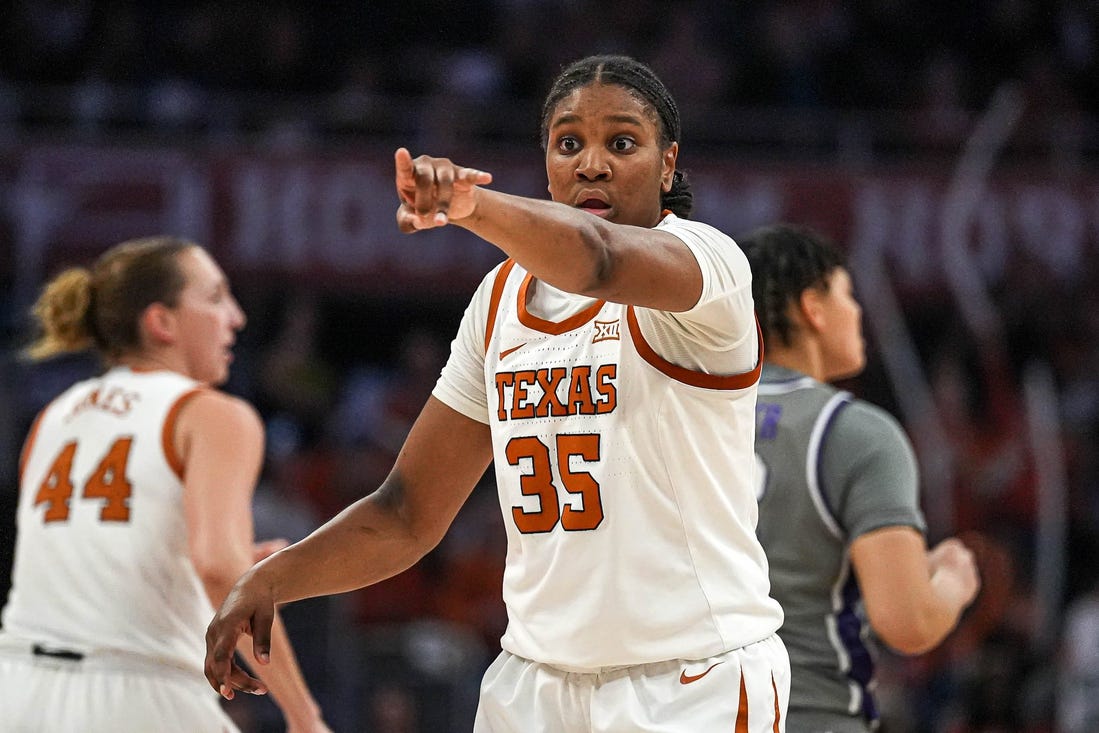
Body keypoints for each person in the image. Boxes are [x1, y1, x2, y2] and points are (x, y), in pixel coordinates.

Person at [206, 54, 789, 732]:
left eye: (621, 143)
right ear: (545, 163)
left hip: (691, 682)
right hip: (535, 684)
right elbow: (406, 511)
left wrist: (469, 204)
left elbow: (598, 256)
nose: (591, 164)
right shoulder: (502, 298)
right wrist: (271, 579)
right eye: (568, 143)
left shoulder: (705, 266)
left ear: (667, 165)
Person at [0, 237, 331, 733]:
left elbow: (92, 561)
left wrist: (203, 567)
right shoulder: (213, 414)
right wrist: (304, 716)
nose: (236, 317)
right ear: (163, 323)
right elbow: (220, 568)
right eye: (217, 297)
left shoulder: (53, 415)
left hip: (18, 688)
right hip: (138, 693)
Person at [740, 223, 982, 733]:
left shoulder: (683, 418)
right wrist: (953, 581)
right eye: (847, 294)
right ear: (813, 308)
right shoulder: (856, 433)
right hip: (811, 713)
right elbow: (908, 622)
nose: (858, 312)